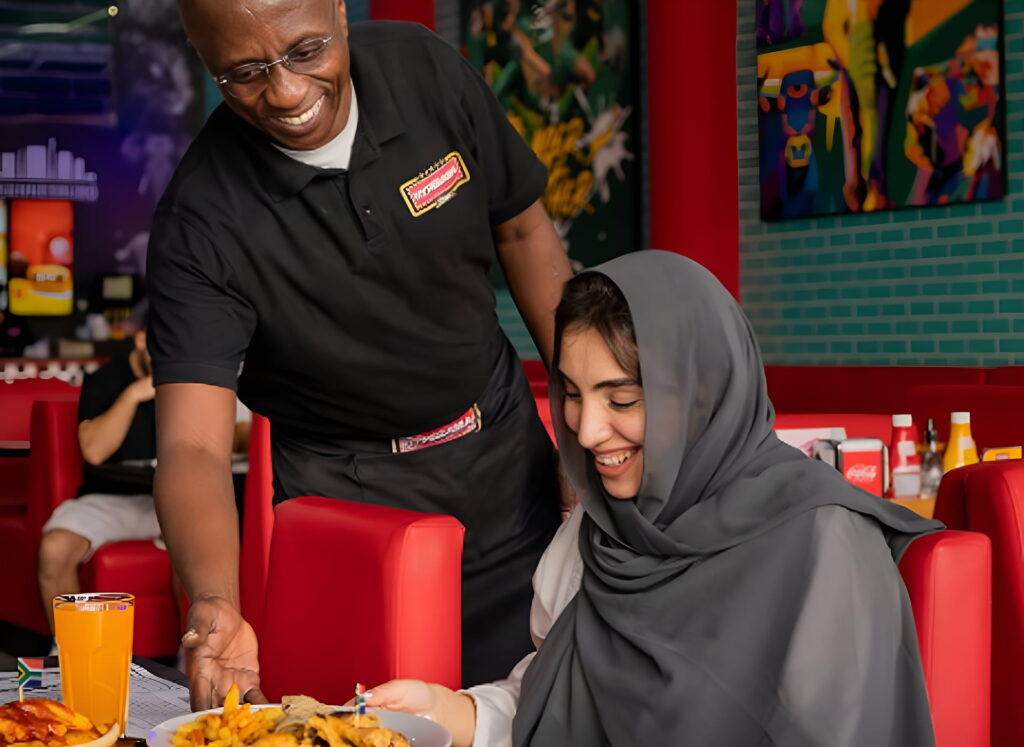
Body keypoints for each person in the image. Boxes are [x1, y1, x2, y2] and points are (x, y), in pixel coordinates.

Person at [148, 0, 570, 707]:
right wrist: (215, 600)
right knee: (369, 721)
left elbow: (527, 238)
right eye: (244, 72)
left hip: (505, 460)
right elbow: (192, 447)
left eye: (306, 50)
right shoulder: (201, 219)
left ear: (340, 12)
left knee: (546, 708)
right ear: (204, 58)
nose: (284, 93)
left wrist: (587, 428)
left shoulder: (424, 71)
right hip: (350, 507)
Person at [360, 250, 942, 746]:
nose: (586, 432)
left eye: (621, 400)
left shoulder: (823, 542)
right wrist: (445, 710)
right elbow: (551, 696)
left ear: (703, 396)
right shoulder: (600, 528)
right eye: (571, 393)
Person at [37, 327, 158, 636]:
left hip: (172, 499)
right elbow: (93, 451)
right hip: (110, 499)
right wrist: (134, 394)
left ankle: (187, 659)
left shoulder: (186, 382)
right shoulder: (105, 380)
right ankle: (68, 650)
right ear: (143, 340)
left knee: (198, 547)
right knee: (55, 549)